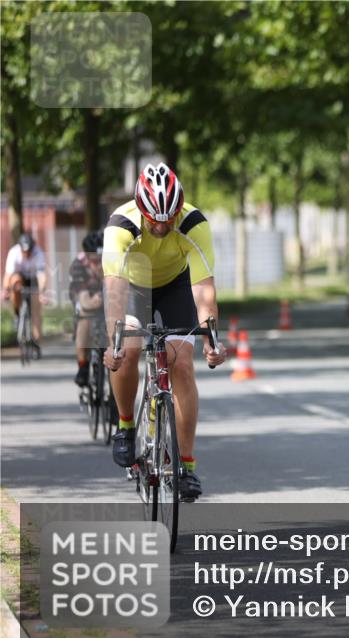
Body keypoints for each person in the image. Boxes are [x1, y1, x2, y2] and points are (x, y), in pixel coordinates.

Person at [103, 162, 227, 502]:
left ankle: (186, 466)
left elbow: (204, 288)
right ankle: (126, 427)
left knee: (182, 364)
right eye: (155, 219)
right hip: (132, 286)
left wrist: (212, 339)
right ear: (142, 209)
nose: (162, 225)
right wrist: (113, 342)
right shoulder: (121, 225)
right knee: (125, 351)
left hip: (175, 285)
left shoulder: (193, 223)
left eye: (168, 219)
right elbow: (114, 290)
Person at [69, 230, 106, 387]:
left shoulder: (112, 260)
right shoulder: (78, 265)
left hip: (106, 294)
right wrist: (92, 302)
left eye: (101, 259)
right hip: (83, 293)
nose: (97, 263)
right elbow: (83, 299)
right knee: (84, 315)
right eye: (94, 260)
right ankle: (83, 366)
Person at [3, 232, 48, 357]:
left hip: (33, 280)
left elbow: (41, 276)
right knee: (15, 281)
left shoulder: (38, 253)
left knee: (36, 309)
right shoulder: (14, 253)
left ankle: (36, 339)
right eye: (24, 252)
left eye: (29, 252)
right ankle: (17, 314)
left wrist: (42, 293)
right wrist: (6, 290)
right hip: (20, 279)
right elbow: (8, 274)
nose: (27, 254)